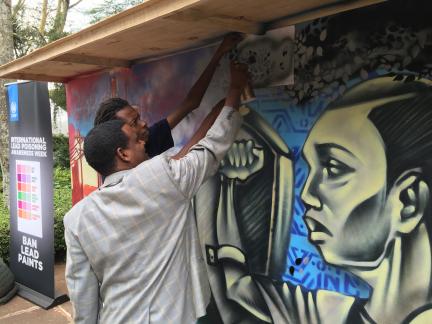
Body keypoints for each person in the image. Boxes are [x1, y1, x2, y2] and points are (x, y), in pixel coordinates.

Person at [198, 75, 432, 323]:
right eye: (312, 169)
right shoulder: (330, 313)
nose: (307, 195)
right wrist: (231, 183)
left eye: (333, 168)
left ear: (408, 202)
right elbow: (239, 289)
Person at [64, 61, 249, 323]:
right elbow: (210, 147)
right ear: (123, 153)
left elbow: (83, 298)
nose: (144, 135)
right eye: (135, 132)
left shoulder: (75, 220)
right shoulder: (162, 177)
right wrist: (234, 93)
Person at [93, 33, 243, 158]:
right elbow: (182, 162)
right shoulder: (133, 174)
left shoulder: (147, 138)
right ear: (120, 149)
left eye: (138, 117)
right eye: (134, 123)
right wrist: (232, 95)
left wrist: (217, 55)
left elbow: (191, 103)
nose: (144, 123)